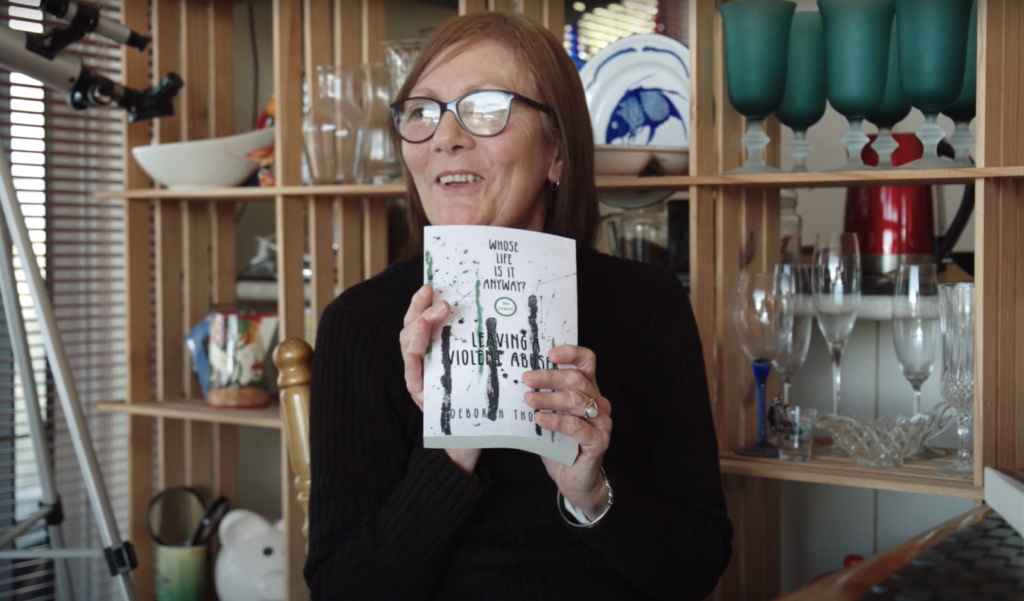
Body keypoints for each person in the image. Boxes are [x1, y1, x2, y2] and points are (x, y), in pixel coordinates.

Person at [306, 12, 732, 600]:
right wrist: (454, 437)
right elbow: (341, 589)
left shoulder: (648, 303)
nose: (444, 137)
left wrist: (592, 495)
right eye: (423, 113)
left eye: (484, 109)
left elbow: (696, 567)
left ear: (557, 153)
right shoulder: (359, 324)